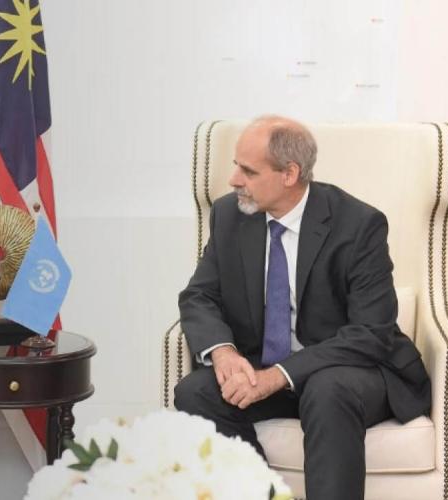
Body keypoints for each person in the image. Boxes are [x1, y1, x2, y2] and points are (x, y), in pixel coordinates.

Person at [174, 115, 430, 499]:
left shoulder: (358, 225)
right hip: (266, 367)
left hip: (350, 371)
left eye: (248, 170)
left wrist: (278, 375)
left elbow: (370, 333)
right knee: (195, 392)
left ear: (289, 174)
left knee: (327, 389)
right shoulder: (230, 215)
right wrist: (225, 354)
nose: (233, 180)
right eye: (235, 166)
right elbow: (199, 295)